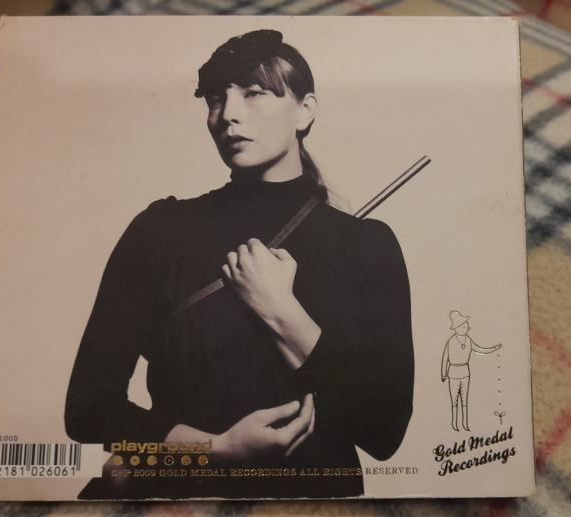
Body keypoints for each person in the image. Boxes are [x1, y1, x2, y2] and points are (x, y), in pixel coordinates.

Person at [64, 29, 414, 499]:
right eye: (216, 99)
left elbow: (384, 432)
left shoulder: (367, 245)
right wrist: (213, 450)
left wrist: (281, 310)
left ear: (305, 111)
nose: (228, 113)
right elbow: (88, 407)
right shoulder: (160, 231)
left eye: (253, 93)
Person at [440, 310, 501, 432]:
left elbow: (480, 349)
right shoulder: (450, 342)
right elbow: (445, 359)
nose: (467, 327)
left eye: (466, 325)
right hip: (453, 373)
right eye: (463, 325)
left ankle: (465, 423)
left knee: (464, 400)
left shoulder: (468, 340)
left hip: (465, 373)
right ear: (457, 328)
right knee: (454, 401)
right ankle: (454, 423)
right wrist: (443, 374)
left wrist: (494, 348)